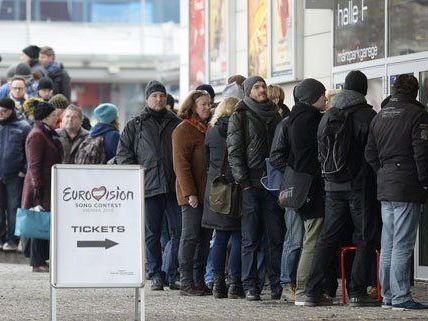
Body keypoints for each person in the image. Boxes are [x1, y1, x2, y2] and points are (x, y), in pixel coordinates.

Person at [304, 70, 379, 307]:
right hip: (360, 186)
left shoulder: (329, 115)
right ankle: (356, 291)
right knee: (365, 236)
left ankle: (312, 291)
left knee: (327, 237)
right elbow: (372, 154)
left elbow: (320, 152)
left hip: (332, 186)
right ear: (364, 90)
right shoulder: (368, 116)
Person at [365, 74, 428, 310]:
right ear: (415, 91)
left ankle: (389, 296)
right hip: (406, 185)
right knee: (402, 243)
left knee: (389, 242)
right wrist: (424, 182)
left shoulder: (380, 115)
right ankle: (401, 297)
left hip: (387, 185)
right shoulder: (417, 114)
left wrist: (384, 171)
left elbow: (370, 154)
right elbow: (421, 153)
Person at [116, 80, 182, 290]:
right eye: (154, 96)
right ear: (147, 99)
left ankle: (173, 272)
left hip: (174, 186)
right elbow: (123, 155)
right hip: (148, 186)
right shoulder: (135, 125)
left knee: (179, 231)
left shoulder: (176, 122)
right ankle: (155, 274)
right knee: (151, 234)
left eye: (162, 95)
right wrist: (137, 178)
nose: (159, 99)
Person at [227, 76, 284, 301]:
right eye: (257, 87)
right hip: (250, 181)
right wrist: (244, 183)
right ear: (249, 91)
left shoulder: (275, 113)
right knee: (250, 237)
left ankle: (277, 283)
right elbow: (234, 152)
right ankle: (250, 284)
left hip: (272, 182)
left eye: (263, 86)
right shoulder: (240, 115)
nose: (262, 90)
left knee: (275, 234)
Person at [275, 79, 327, 306]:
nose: (325, 99)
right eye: (322, 95)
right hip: (310, 187)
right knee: (310, 240)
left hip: (297, 186)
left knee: (301, 239)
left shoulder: (293, 119)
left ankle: (301, 287)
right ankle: (304, 289)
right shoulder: (312, 120)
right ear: (312, 97)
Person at [201, 97, 243, 299]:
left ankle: (218, 283)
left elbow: (207, 161)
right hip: (237, 188)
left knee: (219, 238)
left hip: (216, 190)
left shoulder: (211, 132)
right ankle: (234, 283)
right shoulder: (242, 129)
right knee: (237, 237)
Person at [172, 89, 212, 296]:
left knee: (205, 237)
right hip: (191, 195)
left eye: (210, 104)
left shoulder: (207, 128)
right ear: (194, 106)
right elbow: (181, 166)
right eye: (204, 104)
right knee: (190, 236)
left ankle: (199, 280)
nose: (208, 107)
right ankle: (186, 281)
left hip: (208, 193)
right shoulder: (183, 129)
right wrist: (190, 194)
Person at [21, 101, 62, 272]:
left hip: (46, 184)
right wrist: (38, 190)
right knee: (39, 222)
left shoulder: (46, 133)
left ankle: (41, 260)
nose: (56, 118)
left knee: (44, 221)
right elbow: (34, 165)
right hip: (39, 186)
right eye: (54, 116)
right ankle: (37, 262)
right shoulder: (37, 135)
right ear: (45, 117)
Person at [0, 98, 31, 251]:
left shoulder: (23, 126)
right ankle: (1, 239)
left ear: (11, 110)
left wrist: (24, 170)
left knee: (13, 209)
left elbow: (29, 152)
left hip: (14, 175)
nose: (1, 114)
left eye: (3, 111)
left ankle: (13, 240)